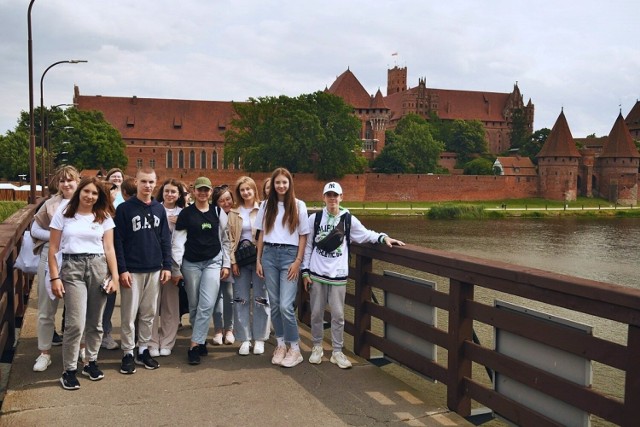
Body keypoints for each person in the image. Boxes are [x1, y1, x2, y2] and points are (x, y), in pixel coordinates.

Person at [302, 182, 405, 369]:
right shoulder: (315, 219)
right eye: (329, 195)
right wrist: (305, 271)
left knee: (338, 315)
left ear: (341, 197)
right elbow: (308, 246)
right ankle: (317, 347)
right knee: (316, 313)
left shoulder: (348, 220)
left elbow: (366, 235)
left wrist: (384, 238)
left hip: (338, 275)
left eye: (335, 195)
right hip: (317, 273)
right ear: (323, 197)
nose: (332, 199)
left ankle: (337, 351)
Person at [48, 177, 119, 390]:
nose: (90, 196)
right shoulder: (64, 214)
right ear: (80, 191)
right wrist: (54, 277)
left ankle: (90, 361)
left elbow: (109, 249)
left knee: (96, 321)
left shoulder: (104, 217)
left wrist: (114, 277)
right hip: (72, 267)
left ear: (99, 197)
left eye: (95, 193)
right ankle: (69, 370)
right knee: (75, 322)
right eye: (86, 191)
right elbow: (53, 249)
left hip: (97, 266)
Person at [114, 168, 172, 374]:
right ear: (136, 183)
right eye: (144, 182)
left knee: (149, 313)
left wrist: (167, 266)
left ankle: (143, 349)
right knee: (129, 314)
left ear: (155, 183)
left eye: (151, 182)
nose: (147, 186)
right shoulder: (124, 209)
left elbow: (166, 239)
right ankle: (128, 352)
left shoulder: (159, 209)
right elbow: (118, 241)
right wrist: (122, 269)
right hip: (132, 268)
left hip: (154, 267)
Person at [172, 176, 231, 365]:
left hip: (213, 261)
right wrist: (176, 267)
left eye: (206, 190)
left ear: (211, 191)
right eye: (200, 190)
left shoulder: (217, 211)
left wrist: (226, 263)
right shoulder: (187, 214)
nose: (203, 193)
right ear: (194, 191)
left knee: (207, 304)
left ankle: (193, 346)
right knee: (195, 305)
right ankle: (201, 339)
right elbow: (178, 242)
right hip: (191, 263)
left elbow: (225, 239)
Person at [256, 168, 309, 368]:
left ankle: (295, 348)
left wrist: (298, 261)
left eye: (284, 182)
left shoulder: (298, 205)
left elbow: (303, 235)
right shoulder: (265, 206)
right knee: (275, 304)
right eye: (277, 182)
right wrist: (258, 260)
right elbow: (261, 234)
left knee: (286, 305)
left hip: (289, 256)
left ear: (290, 184)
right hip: (269, 255)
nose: (280, 186)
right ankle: (280, 344)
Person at [31, 166, 80, 372]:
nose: (66, 184)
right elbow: (34, 229)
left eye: (70, 180)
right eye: (62, 181)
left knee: (78, 311)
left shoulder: (87, 201)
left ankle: (77, 352)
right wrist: (57, 236)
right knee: (46, 309)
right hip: (50, 257)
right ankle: (44, 353)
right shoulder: (51, 204)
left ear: (78, 181)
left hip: (78, 260)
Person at [227, 176, 270, 356]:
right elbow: (229, 238)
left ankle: (259, 338)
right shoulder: (234, 213)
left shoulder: (263, 210)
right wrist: (233, 261)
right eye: (242, 190)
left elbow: (267, 236)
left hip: (258, 259)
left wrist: (261, 260)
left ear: (254, 190)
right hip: (241, 261)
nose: (246, 192)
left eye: (248, 189)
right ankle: (244, 338)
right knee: (240, 299)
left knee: (261, 298)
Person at [148, 179, 186, 357]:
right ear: (162, 192)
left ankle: (168, 341)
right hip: (153, 262)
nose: (170, 194)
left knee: (170, 305)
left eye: (174, 192)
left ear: (179, 195)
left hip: (174, 263)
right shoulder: (153, 208)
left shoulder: (184, 213)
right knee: (152, 305)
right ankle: (152, 341)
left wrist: (181, 222)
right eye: (167, 191)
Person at [101, 167, 128, 351]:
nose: (114, 194)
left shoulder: (115, 213)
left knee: (109, 299)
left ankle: (106, 333)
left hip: (110, 262)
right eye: (111, 192)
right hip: (92, 262)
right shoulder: (97, 213)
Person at [211, 184, 235, 346]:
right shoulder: (213, 215)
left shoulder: (236, 215)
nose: (226, 203)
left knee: (230, 296)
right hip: (214, 260)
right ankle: (218, 330)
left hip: (232, 262)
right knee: (215, 297)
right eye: (221, 201)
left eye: (228, 199)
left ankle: (230, 329)